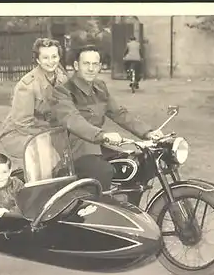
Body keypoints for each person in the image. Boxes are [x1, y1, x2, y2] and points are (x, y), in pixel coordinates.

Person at [50, 45, 163, 192]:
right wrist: (102, 135)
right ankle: (94, 210)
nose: (91, 68)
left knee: (136, 163)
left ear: (100, 67)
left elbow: (119, 113)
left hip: (97, 147)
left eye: (95, 64)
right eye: (86, 64)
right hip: (72, 151)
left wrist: (147, 132)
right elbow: (73, 120)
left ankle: (127, 207)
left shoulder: (100, 87)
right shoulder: (63, 91)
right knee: (104, 171)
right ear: (76, 65)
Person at [0, 38, 68, 168]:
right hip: (18, 134)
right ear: (38, 60)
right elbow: (22, 124)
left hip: (47, 129)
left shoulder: (61, 77)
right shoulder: (27, 85)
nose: (51, 61)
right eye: (45, 58)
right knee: (48, 152)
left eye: (54, 56)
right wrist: (52, 134)